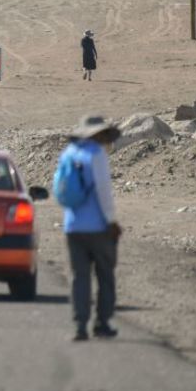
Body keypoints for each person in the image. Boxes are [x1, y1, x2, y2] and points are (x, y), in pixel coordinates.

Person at [55, 115, 122, 342]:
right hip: (98, 227)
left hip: (72, 226)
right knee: (104, 275)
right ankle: (102, 322)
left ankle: (80, 325)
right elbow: (103, 191)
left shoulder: (69, 153)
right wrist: (112, 221)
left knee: (79, 277)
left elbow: (61, 189)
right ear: (99, 134)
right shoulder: (97, 154)